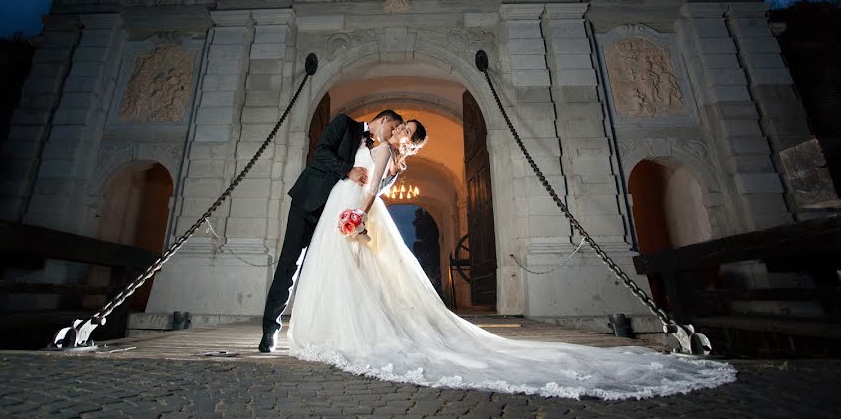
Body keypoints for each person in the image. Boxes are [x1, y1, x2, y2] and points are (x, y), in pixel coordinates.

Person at [285, 120, 736, 400]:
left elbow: (369, 188)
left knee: (354, 273)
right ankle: (344, 324)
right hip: (350, 207)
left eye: (405, 131)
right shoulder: (383, 150)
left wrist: (356, 216)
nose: (398, 132)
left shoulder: (384, 152)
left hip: (354, 210)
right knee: (355, 275)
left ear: (405, 139)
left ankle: (343, 329)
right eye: (399, 127)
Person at [258, 109, 403, 353]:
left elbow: (374, 186)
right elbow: (321, 152)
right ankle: (270, 330)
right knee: (288, 266)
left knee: (328, 270)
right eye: (392, 129)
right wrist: (348, 170)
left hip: (336, 215)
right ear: (384, 119)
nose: (390, 135)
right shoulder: (344, 123)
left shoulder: (376, 148)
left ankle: (327, 330)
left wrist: (393, 172)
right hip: (308, 203)